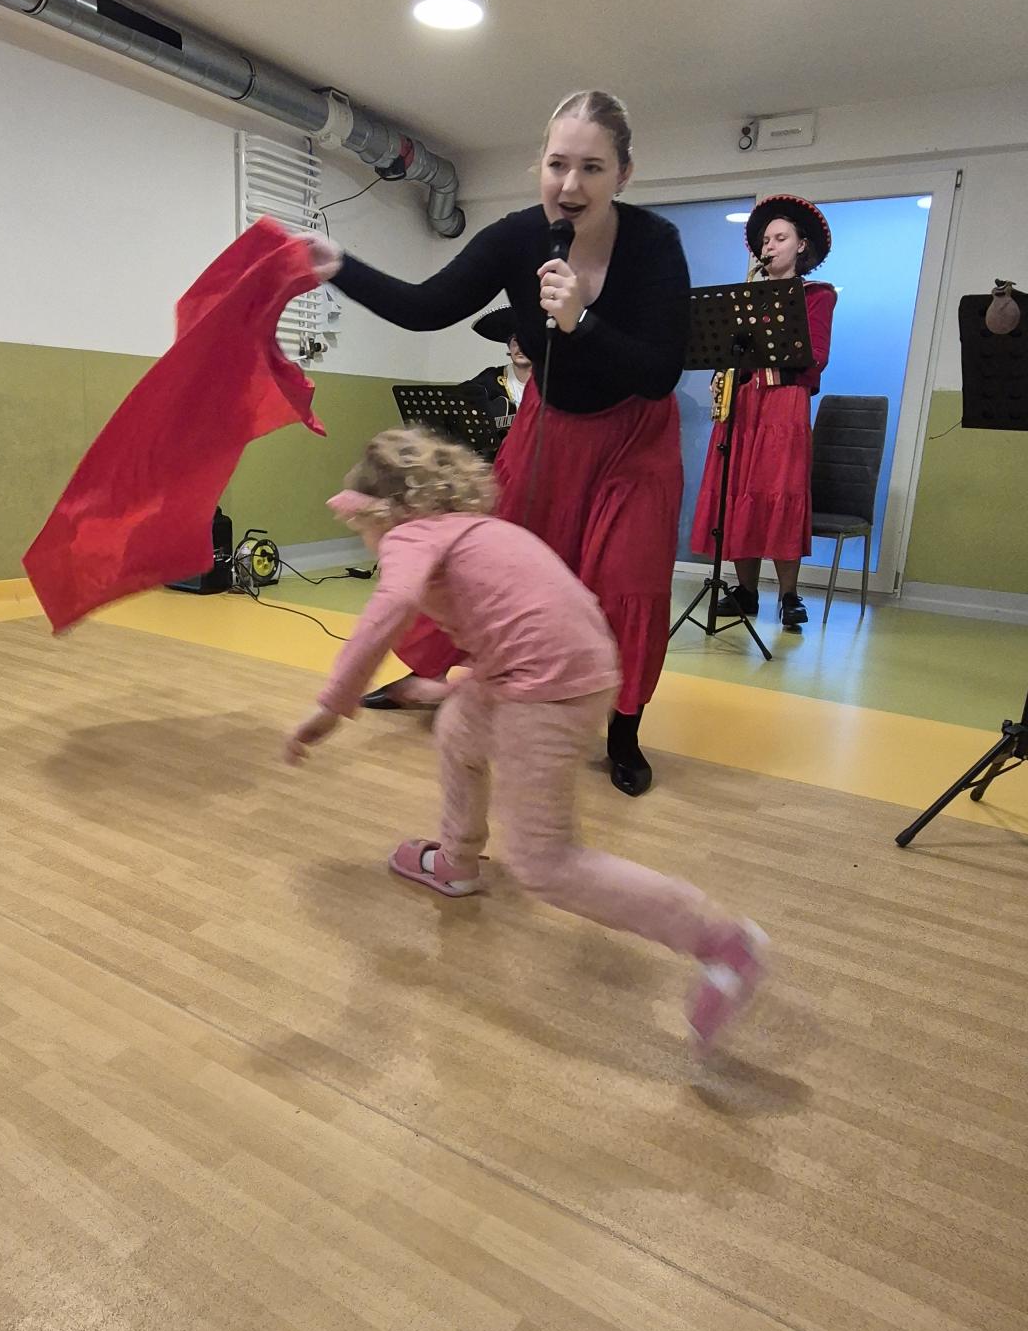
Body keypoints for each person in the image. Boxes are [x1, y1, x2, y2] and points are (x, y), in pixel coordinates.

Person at [283, 429, 767, 1051]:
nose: (368, 543)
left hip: (545, 689)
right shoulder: (479, 530)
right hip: (574, 667)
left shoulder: (410, 535)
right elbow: (526, 617)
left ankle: (723, 940)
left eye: (363, 530)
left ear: (384, 514)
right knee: (458, 728)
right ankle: (456, 863)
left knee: (547, 865)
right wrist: (454, 685)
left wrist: (333, 705)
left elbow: (392, 605)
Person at [300, 90, 690, 798]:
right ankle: (437, 675)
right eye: (558, 164)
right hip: (550, 425)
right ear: (539, 164)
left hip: (635, 436)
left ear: (623, 175)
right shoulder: (515, 237)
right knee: (495, 557)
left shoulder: (654, 243)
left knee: (626, 579)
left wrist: (582, 321)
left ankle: (624, 729)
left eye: (593, 168)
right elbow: (427, 308)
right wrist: (339, 267)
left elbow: (661, 372)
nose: (571, 185)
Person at [689, 195, 837, 631]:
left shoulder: (817, 295)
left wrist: (763, 360)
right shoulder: (743, 295)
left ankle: (790, 594)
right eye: (766, 240)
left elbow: (817, 355)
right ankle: (747, 592)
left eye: (780, 238)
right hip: (743, 402)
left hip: (784, 403)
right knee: (738, 491)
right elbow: (725, 348)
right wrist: (722, 372)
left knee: (780, 491)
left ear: (801, 245)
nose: (769, 246)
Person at [467, 307, 534, 420]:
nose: (521, 348)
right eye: (516, 342)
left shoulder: (552, 382)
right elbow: (458, 397)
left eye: (527, 342)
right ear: (509, 347)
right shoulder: (491, 377)